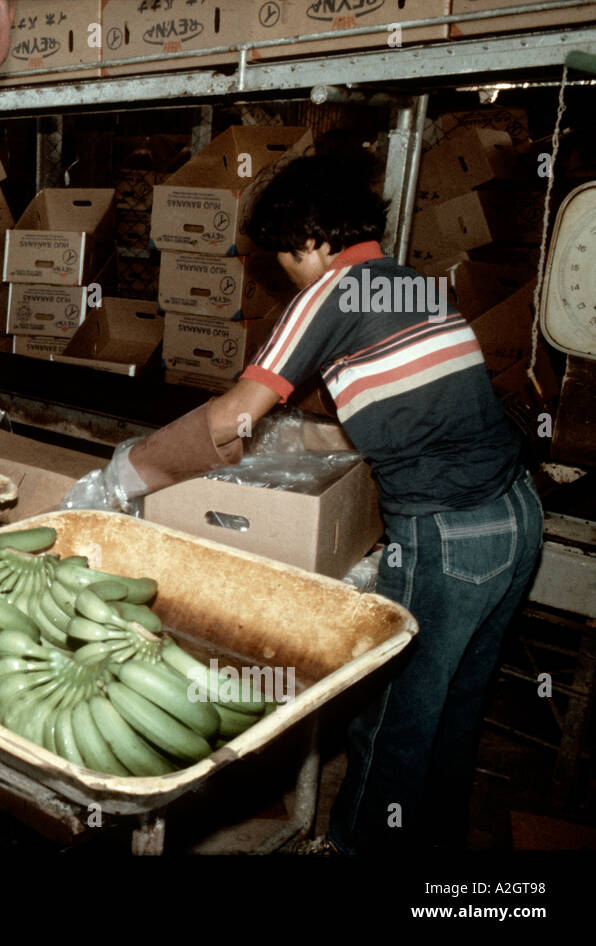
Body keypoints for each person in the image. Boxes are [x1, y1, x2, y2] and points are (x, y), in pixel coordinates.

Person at [65, 154, 543, 854]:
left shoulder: (330, 291)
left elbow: (233, 421)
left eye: (283, 258)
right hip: (516, 518)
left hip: (446, 537)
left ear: (311, 243)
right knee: (451, 714)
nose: (285, 274)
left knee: (389, 724)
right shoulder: (410, 284)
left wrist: (127, 475)